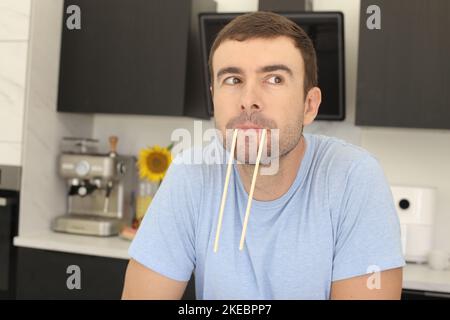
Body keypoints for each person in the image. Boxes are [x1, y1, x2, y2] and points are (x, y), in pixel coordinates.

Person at [122, 11, 405, 300]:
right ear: (214, 98)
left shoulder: (353, 178)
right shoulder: (192, 173)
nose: (248, 101)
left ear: (309, 105)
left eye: (274, 79)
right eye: (233, 80)